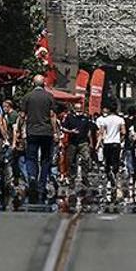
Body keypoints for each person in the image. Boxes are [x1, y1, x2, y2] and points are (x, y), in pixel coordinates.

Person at [23, 74, 57, 204]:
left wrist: (21, 131)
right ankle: (42, 183)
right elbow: (52, 116)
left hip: (32, 131)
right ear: (44, 84)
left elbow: (22, 116)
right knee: (46, 158)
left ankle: (32, 177)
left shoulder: (27, 97)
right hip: (46, 132)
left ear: (33, 83)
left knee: (31, 157)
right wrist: (55, 132)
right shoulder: (49, 97)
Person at [62, 102, 92, 187]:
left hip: (83, 142)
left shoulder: (85, 118)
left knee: (86, 159)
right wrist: (71, 131)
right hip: (72, 142)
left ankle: (85, 177)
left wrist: (91, 143)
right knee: (71, 161)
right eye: (77, 109)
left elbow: (89, 131)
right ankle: (72, 178)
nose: (79, 111)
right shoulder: (69, 117)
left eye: (80, 109)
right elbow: (63, 128)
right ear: (74, 109)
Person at [96, 105, 126, 190]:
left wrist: (99, 144)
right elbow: (123, 132)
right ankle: (114, 173)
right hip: (116, 143)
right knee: (116, 160)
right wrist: (120, 140)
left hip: (107, 142)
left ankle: (109, 176)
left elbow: (101, 133)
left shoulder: (105, 120)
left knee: (107, 161)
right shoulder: (120, 119)